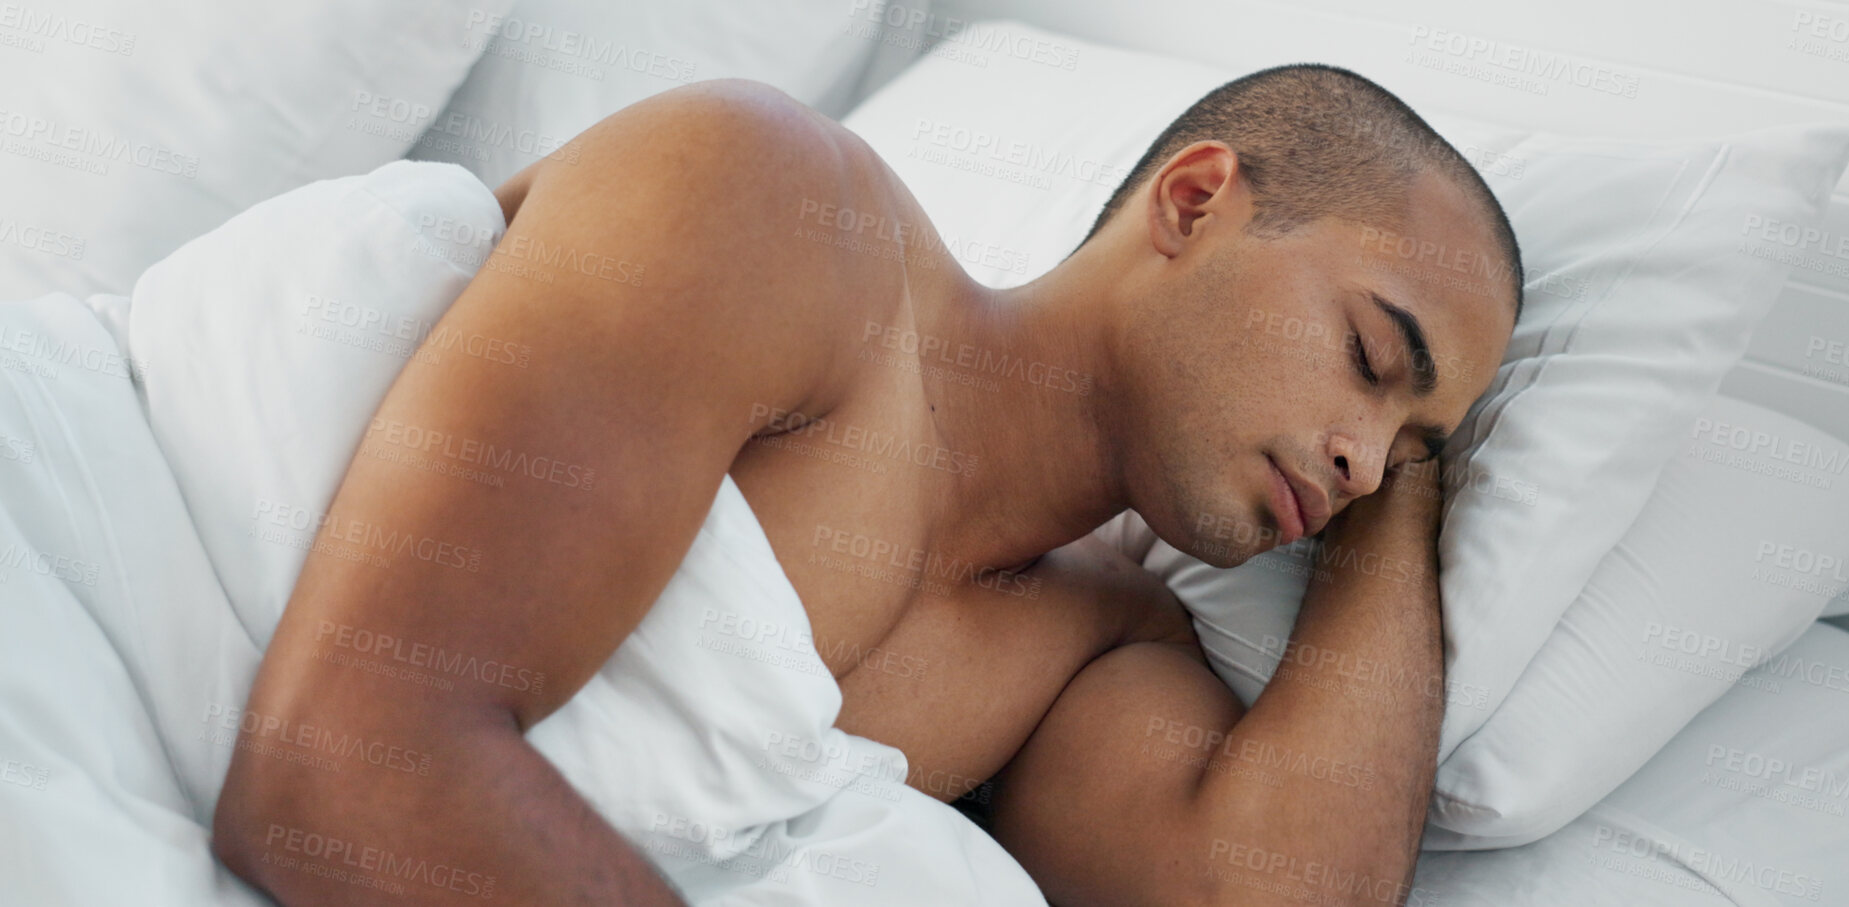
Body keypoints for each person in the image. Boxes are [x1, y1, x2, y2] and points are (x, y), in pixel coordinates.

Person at [212, 64, 1522, 906]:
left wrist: (1406, 502)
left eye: (1408, 439)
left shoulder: (1089, 645)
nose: (1360, 457)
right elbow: (346, 768)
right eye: (1369, 355)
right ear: (1193, 202)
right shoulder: (779, 206)